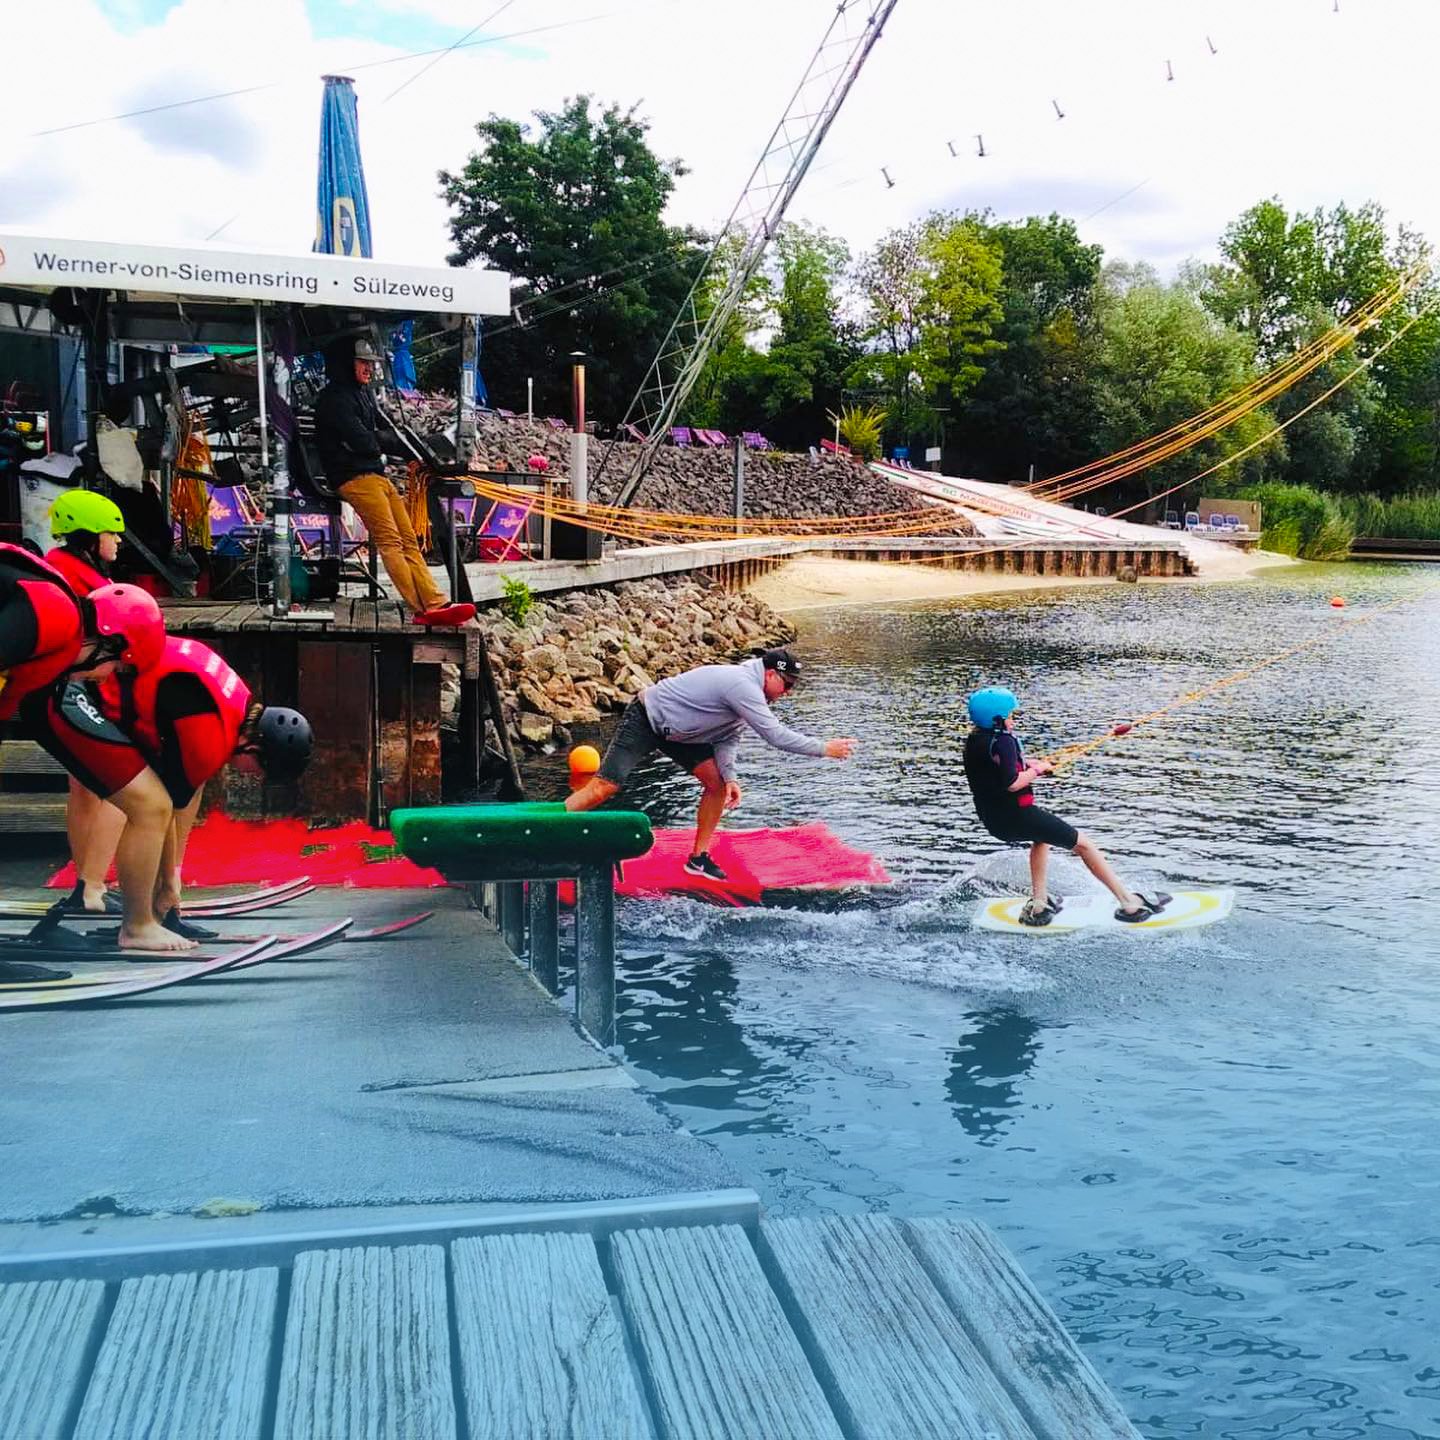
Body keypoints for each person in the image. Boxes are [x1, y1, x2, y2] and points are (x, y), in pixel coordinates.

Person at [0, 546, 190, 953]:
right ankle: (138, 927)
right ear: (107, 642)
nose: (107, 678)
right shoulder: (56, 616)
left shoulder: (53, 639)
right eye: (118, 667)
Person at [566, 647, 856, 880]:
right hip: (647, 717)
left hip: (680, 735)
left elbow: (729, 737)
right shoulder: (742, 685)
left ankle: (698, 859)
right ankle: (553, 831)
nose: (788, 691)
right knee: (604, 787)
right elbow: (775, 736)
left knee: (717, 785)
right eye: (787, 684)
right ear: (770, 674)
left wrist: (730, 777)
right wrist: (823, 749)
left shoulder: (754, 691)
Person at [93, 635, 313, 938]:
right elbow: (168, 810)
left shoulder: (238, 701)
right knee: (149, 809)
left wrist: (172, 876)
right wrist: (170, 884)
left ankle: (150, 913)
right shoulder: (209, 741)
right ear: (252, 747)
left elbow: (180, 797)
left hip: (115, 679)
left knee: (165, 801)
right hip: (91, 690)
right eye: (260, 770)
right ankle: (136, 922)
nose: (254, 777)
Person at [962, 686, 1169, 927]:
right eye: (1010, 716)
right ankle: (1129, 903)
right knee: (1084, 846)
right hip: (1017, 815)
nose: (1013, 720)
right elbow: (1012, 783)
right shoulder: (1003, 741)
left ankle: (1039, 903)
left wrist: (1032, 765)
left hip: (994, 820)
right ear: (996, 720)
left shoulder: (976, 740)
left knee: (1042, 839)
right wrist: (1038, 770)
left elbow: (995, 770)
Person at [313, 337, 475, 627]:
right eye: (362, 362)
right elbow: (365, 442)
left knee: (408, 539)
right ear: (345, 364)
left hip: (374, 475)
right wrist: (384, 442)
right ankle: (420, 608)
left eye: (370, 363)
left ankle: (436, 603)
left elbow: (385, 432)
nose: (369, 368)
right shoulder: (334, 400)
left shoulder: (361, 394)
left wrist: (410, 451)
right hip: (353, 478)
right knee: (391, 541)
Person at [43, 489, 129, 915]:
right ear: (90, 537)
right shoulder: (82, 579)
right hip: (85, 690)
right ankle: (92, 888)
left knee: (84, 789)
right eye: (112, 533)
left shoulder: (59, 567)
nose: (119, 541)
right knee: (126, 787)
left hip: (61, 689)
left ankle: (85, 884)